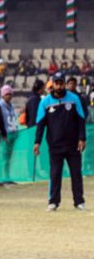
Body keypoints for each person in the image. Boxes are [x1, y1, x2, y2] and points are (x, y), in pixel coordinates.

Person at [34, 73, 87, 211]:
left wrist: (82, 138)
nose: (59, 86)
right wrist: (37, 142)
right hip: (55, 145)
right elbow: (40, 124)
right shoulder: (45, 102)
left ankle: (79, 201)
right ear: (53, 84)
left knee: (76, 174)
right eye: (56, 83)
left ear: (64, 84)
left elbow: (81, 119)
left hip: (73, 145)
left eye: (61, 83)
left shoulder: (74, 99)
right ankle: (53, 202)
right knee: (55, 174)